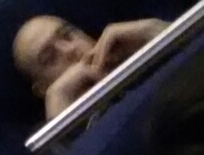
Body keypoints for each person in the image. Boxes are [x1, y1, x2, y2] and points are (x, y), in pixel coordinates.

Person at [12, 16, 169, 119]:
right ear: (43, 89)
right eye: (50, 57)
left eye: (68, 35)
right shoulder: (54, 146)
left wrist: (155, 31)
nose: (70, 50)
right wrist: (59, 113)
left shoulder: (139, 51)